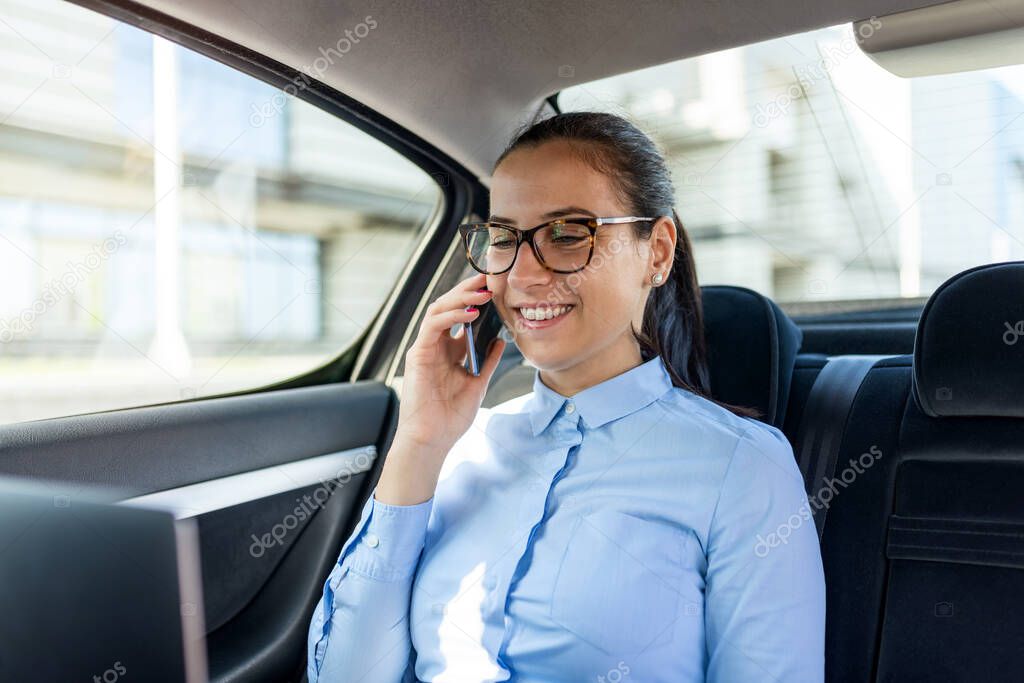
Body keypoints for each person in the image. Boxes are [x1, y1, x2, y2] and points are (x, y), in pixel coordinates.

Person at [307, 112, 825, 682]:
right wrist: (420, 443)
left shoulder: (743, 467)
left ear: (655, 252)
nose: (524, 274)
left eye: (568, 234)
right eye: (504, 238)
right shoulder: (459, 445)